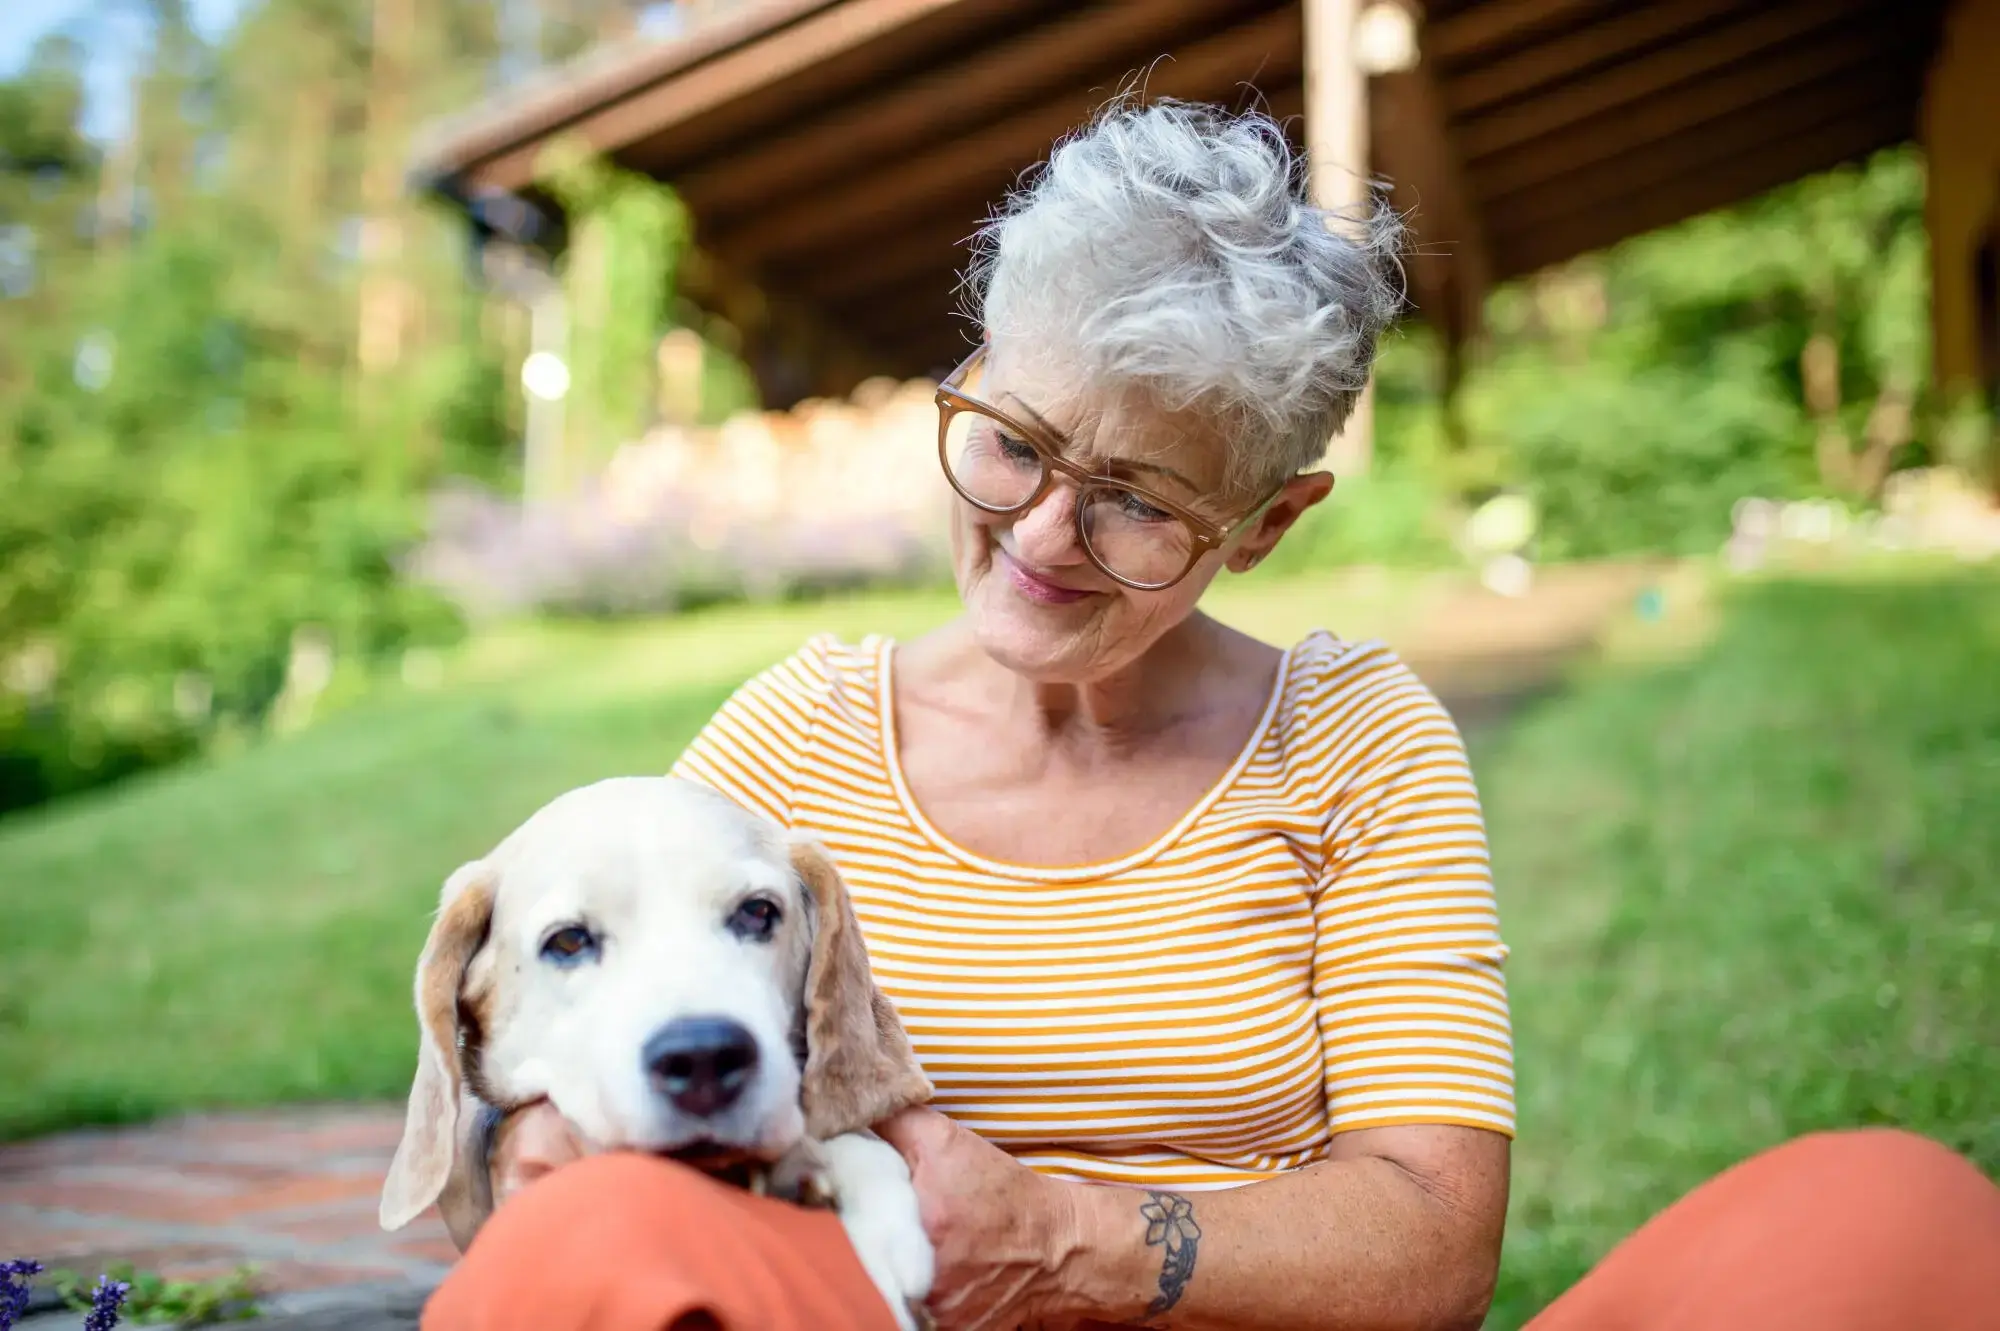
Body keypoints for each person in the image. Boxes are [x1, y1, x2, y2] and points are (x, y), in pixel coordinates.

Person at [421, 100, 2000, 1331]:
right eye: (1015, 443)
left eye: (1136, 502)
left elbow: (1436, 1252)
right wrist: (543, 1145)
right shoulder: (789, 750)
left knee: (1889, 1211)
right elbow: (576, 1037)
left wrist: (1065, 1241)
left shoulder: (1360, 739)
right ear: (966, 376)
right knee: (600, 1241)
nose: (1042, 535)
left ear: (1267, 519)